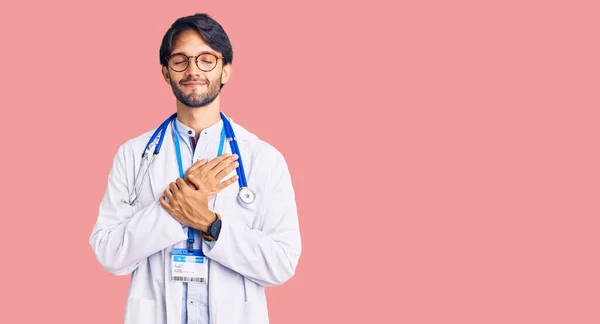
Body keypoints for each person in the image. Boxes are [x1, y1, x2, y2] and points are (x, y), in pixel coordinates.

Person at [89, 13, 301, 324]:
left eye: (206, 59)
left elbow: (282, 263)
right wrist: (175, 208)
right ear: (165, 72)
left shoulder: (264, 159)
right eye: (180, 60)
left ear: (225, 70)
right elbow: (109, 253)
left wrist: (211, 224)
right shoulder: (133, 155)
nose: (192, 70)